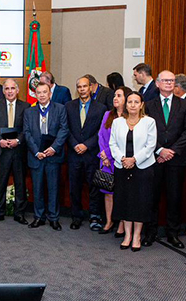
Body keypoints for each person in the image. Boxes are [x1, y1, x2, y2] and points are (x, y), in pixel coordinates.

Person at [143, 71, 186, 249]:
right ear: (157, 83)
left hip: (176, 159)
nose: (168, 83)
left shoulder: (185, 105)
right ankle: (150, 232)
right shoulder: (148, 105)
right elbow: (145, 131)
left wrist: (172, 150)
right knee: (152, 196)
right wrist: (159, 149)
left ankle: (173, 234)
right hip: (154, 158)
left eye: (171, 81)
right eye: (165, 80)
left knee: (174, 197)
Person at [110, 92, 157, 251]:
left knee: (140, 202)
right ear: (126, 104)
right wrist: (123, 159)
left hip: (142, 168)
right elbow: (113, 144)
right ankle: (127, 235)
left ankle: (137, 236)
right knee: (125, 201)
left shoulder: (149, 122)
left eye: (136, 102)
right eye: (130, 102)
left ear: (142, 104)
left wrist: (134, 159)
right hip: (122, 167)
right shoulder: (117, 122)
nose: (132, 105)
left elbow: (150, 146)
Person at [24, 83, 69, 230]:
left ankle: (54, 218)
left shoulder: (60, 109)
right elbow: (27, 133)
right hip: (36, 155)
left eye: (45, 92)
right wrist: (37, 151)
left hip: (53, 156)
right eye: (39, 92)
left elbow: (64, 129)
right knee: (37, 189)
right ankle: (38, 217)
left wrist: (53, 148)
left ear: (50, 94)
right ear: (35, 95)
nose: (42, 95)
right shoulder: (28, 112)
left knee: (53, 188)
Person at [65, 77, 107, 231]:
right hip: (74, 153)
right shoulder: (68, 106)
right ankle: (76, 216)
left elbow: (101, 132)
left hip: (92, 154)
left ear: (91, 87)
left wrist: (86, 145)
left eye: (85, 86)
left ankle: (95, 216)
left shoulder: (101, 108)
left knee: (94, 187)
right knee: (74, 187)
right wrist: (75, 144)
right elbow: (65, 129)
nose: (82, 89)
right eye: (79, 87)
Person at [0, 79, 29, 224]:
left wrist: (18, 140)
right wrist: (0, 140)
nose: (10, 91)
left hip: (19, 150)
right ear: (3, 91)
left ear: (17, 90)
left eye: (12, 88)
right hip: (1, 149)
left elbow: (27, 127)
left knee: (20, 184)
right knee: (0, 183)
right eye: (7, 89)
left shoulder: (26, 106)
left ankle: (19, 214)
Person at [97, 86, 132, 236]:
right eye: (114, 95)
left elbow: (121, 141)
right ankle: (109, 221)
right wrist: (103, 155)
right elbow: (101, 135)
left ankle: (122, 224)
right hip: (105, 160)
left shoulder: (129, 117)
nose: (115, 98)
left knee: (122, 193)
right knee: (108, 193)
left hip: (120, 160)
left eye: (119, 95)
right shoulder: (107, 114)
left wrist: (110, 155)